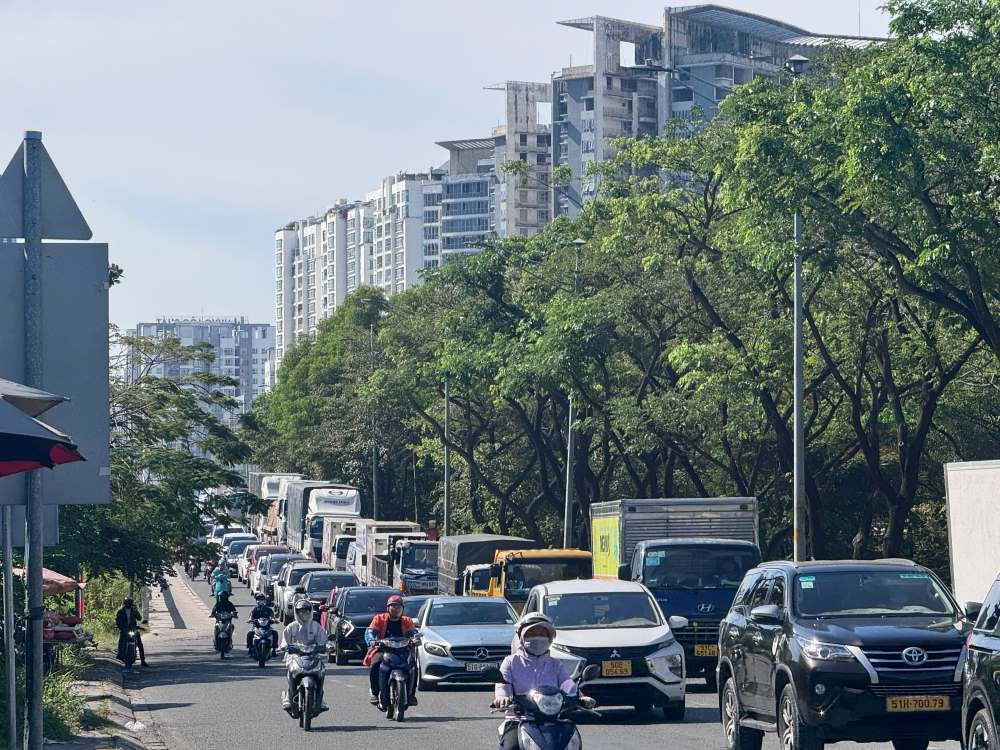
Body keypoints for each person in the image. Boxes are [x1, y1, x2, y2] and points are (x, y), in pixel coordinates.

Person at [494, 613, 576, 750]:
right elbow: (502, 685)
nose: (537, 637)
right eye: (532, 633)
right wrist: (502, 698)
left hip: (554, 720)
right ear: (522, 637)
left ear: (549, 638)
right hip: (519, 719)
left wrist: (580, 696)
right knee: (511, 746)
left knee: (571, 741)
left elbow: (567, 684)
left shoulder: (556, 664)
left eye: (542, 633)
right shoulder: (510, 662)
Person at [364, 594, 418, 708]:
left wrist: (415, 639)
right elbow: (370, 631)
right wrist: (372, 640)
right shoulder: (379, 619)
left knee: (413, 666)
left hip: (402, 651)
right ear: (388, 608)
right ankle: (375, 692)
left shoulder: (407, 620)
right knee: (375, 663)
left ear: (402, 608)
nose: (396, 609)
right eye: (393, 606)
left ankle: (411, 694)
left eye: (399, 606)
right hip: (383, 650)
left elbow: (413, 632)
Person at [280, 599, 329, 713]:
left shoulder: (316, 626)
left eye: (306, 611)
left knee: (321, 672)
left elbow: (323, 640)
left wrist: (326, 646)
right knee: (291, 672)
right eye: (300, 612)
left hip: (313, 656)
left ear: (310, 612)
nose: (303, 614)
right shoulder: (291, 627)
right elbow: (284, 642)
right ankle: (289, 696)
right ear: (296, 612)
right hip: (295, 656)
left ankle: (320, 698)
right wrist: (286, 647)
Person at [115, 598, 147, 666]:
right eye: (127, 603)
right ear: (124, 604)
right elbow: (118, 621)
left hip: (133, 629)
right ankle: (120, 654)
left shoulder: (134, 611)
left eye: (129, 604)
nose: (128, 605)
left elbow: (139, 618)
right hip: (124, 629)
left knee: (139, 644)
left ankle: (143, 661)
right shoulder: (120, 612)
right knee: (121, 641)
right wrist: (122, 628)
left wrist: (136, 610)